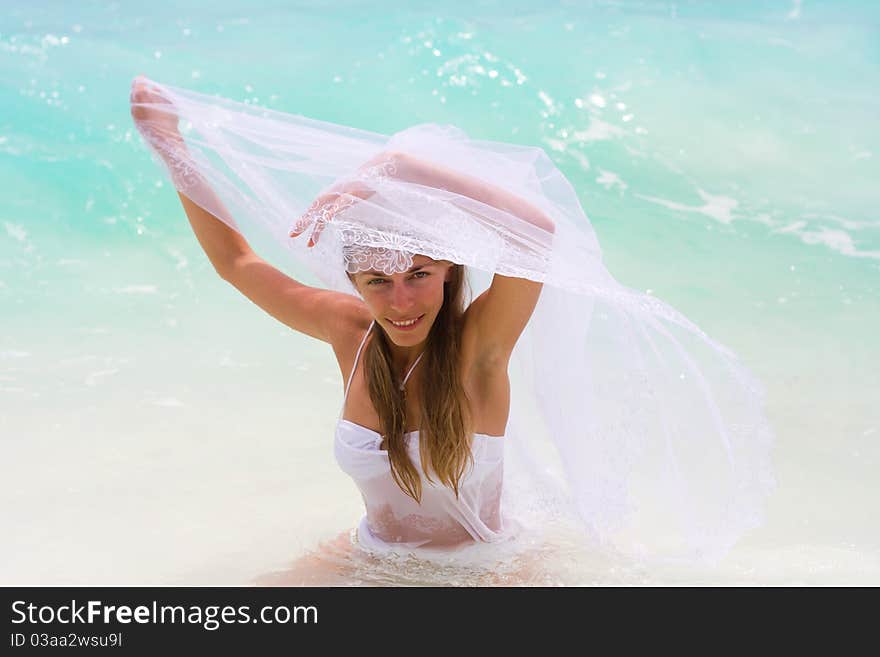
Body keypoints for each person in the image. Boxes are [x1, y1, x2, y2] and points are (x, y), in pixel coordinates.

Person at [130, 75, 775, 580]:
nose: (401, 299)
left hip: (483, 575)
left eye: (419, 275)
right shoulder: (348, 332)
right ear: (354, 281)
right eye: (378, 281)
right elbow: (235, 261)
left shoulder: (479, 351)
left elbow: (538, 234)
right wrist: (168, 141)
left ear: (448, 272)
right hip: (371, 558)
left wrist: (402, 170)